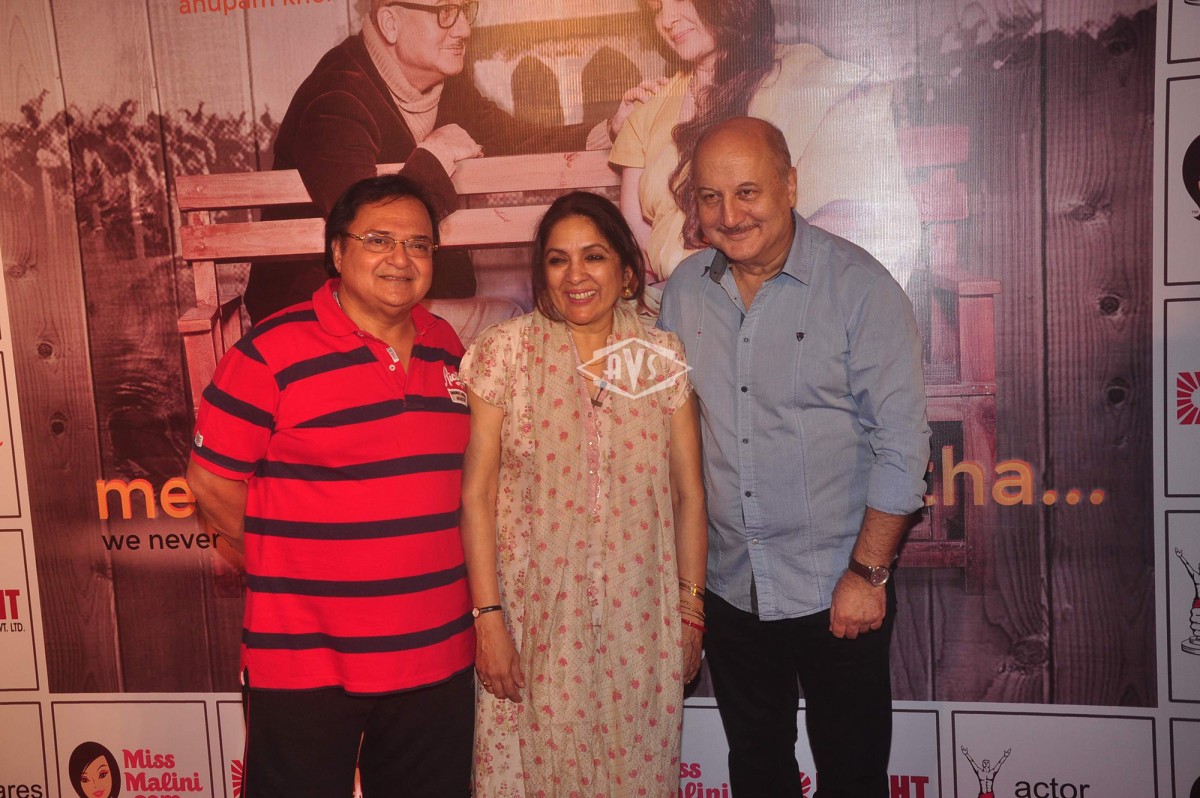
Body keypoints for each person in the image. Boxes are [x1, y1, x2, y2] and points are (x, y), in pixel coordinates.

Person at [657, 117, 930, 797]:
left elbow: (902, 447)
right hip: (730, 586)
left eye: (747, 192)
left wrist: (867, 574)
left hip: (837, 585)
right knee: (755, 768)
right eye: (711, 197)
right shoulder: (684, 292)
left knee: (852, 776)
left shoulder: (860, 288)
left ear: (790, 185)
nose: (730, 215)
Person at [187, 175, 475, 798]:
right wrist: (291, 568)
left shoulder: (448, 346)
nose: (401, 258)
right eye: (379, 240)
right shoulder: (269, 351)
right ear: (338, 252)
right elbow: (210, 483)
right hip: (306, 662)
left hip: (438, 656)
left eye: (419, 244)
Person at [458, 191, 707, 795]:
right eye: (557, 259)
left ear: (627, 272)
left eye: (593, 256)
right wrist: (489, 622)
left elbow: (688, 495)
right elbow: (477, 496)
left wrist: (690, 612)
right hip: (529, 624)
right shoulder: (505, 353)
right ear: (541, 273)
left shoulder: (657, 357)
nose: (576, 275)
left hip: (638, 627)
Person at [245, 0, 625, 322]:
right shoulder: (336, 98)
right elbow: (372, 228)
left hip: (398, 299)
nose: (463, 29)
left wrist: (610, 130)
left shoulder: (446, 84)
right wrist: (435, 155)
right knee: (509, 324)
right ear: (390, 23)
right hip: (322, 317)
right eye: (445, 12)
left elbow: (517, 138)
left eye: (465, 10)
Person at [610, 0, 919, 293]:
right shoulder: (648, 110)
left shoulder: (814, 81)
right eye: (656, 8)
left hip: (792, 300)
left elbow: (855, 231)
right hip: (679, 304)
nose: (667, 20)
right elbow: (638, 246)